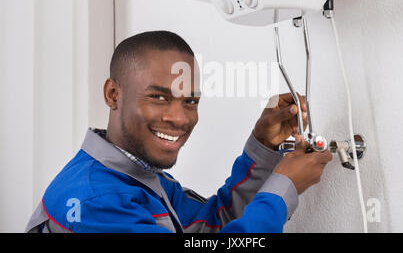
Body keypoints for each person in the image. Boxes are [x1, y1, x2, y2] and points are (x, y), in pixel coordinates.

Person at [25, 31, 332, 233]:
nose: (179, 118)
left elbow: (216, 223)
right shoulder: (97, 200)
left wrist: (263, 147)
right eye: (159, 97)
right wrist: (283, 186)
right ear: (113, 94)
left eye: (190, 101)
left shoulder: (138, 176)